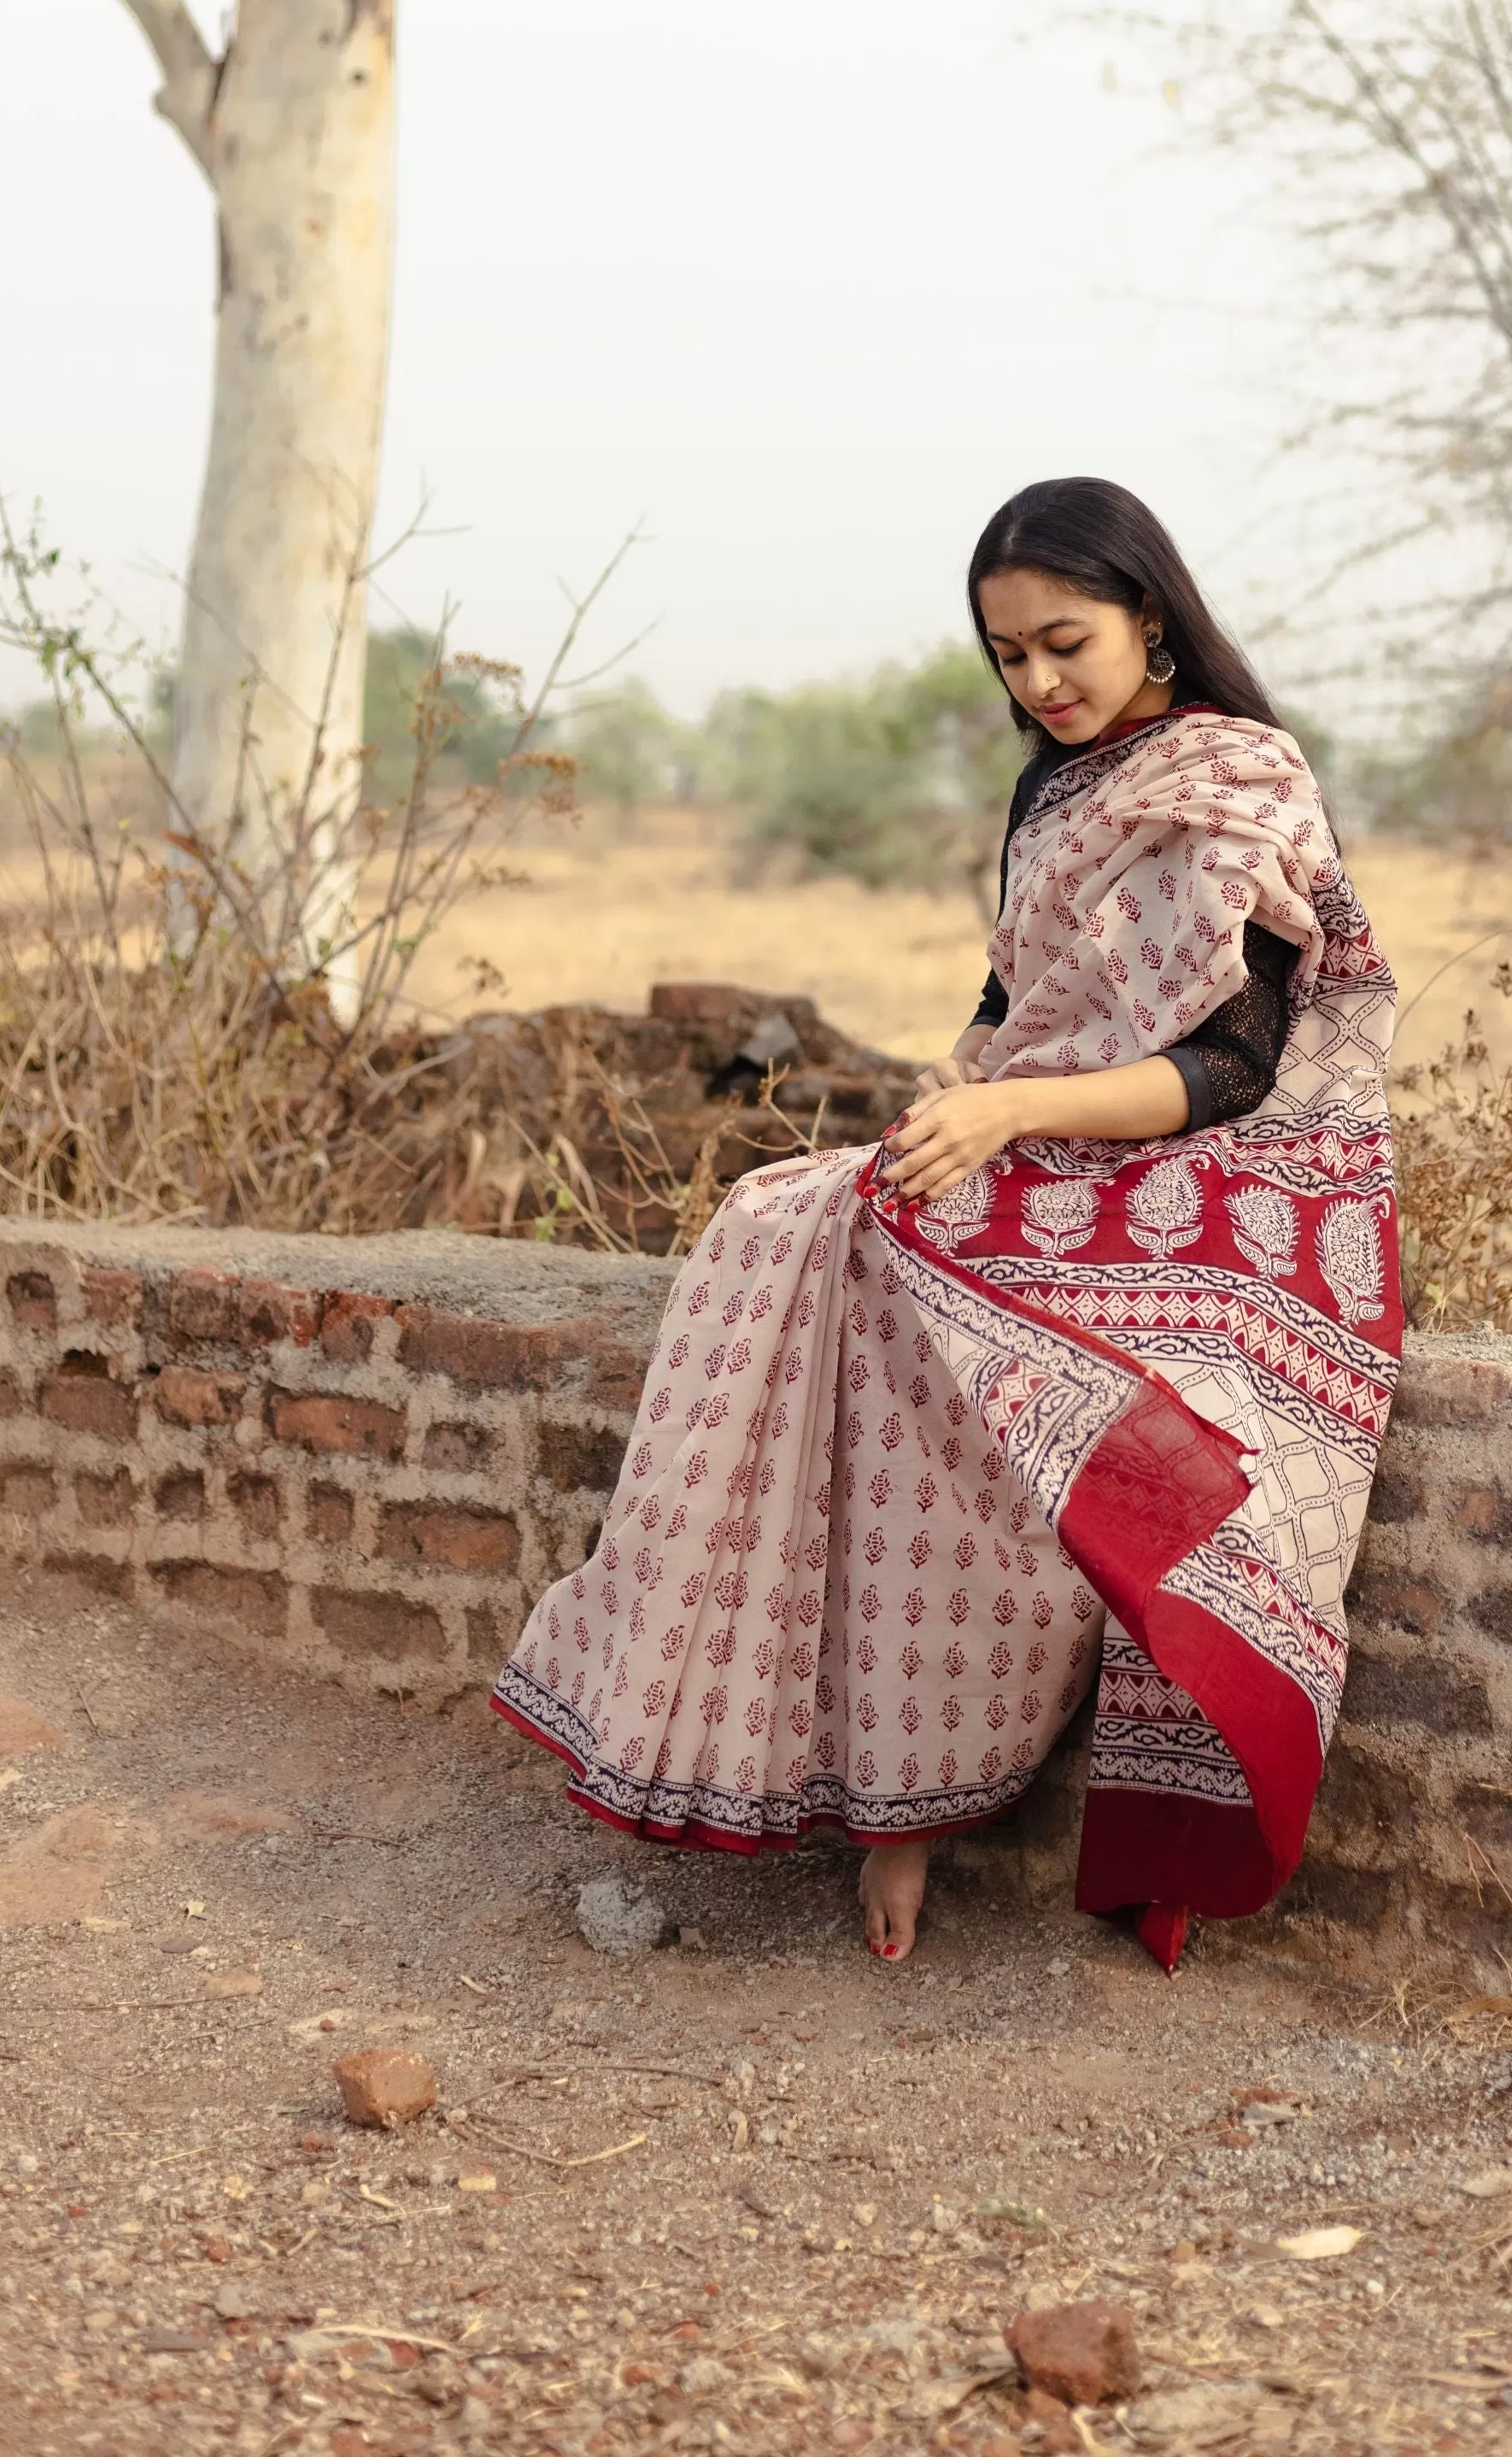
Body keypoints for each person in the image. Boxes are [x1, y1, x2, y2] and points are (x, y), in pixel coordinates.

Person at [494, 478, 1402, 1973]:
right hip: (1045, 1131)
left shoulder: (1231, 777)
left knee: (856, 1246)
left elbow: (1232, 1069)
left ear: (1152, 622)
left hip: (1224, 1181)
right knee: (792, 1227)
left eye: (1066, 644)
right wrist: (963, 1085)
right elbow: (1007, 1000)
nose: (1039, 683)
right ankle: (856, 1785)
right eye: (1008, 658)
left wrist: (1004, 1119)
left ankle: (903, 1808)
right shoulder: (1053, 784)